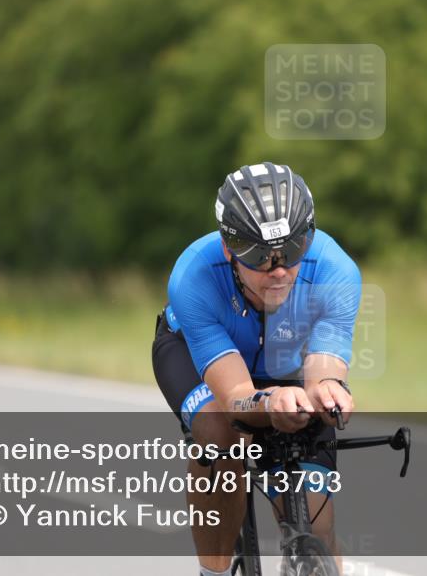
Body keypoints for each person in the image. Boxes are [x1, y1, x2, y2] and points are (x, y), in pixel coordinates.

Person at [152, 162, 361, 576]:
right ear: (229, 249)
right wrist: (269, 402)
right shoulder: (193, 276)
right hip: (198, 357)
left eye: (293, 250)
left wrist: (326, 392)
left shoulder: (336, 271)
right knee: (222, 433)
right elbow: (236, 398)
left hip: (286, 363)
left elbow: (322, 371)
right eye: (260, 257)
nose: (278, 270)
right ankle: (213, 571)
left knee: (317, 525)